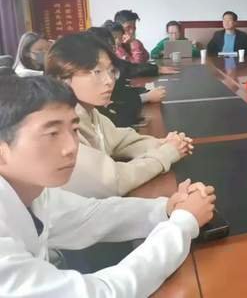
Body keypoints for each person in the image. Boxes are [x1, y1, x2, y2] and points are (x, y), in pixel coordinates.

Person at [0, 75, 215, 297]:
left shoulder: (32, 191)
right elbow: (103, 293)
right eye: (52, 134)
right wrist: (182, 225)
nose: (71, 147)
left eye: (74, 130)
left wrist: (166, 208)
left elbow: (89, 216)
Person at [45, 33, 193, 198]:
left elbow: (120, 140)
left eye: (111, 71)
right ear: (62, 78)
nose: (109, 80)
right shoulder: (58, 127)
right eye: (97, 72)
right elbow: (113, 181)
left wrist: (163, 143)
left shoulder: (89, 112)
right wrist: (166, 154)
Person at [87, 27, 167, 127]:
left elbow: (131, 67)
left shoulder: (112, 65)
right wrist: (146, 97)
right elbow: (114, 120)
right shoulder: (90, 80)